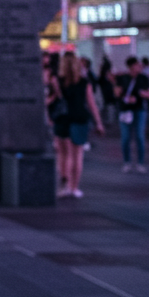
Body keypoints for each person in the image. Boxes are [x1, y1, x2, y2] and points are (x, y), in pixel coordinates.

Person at [53, 53, 104, 198]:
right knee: (77, 155)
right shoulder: (84, 82)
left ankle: (64, 184)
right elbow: (91, 103)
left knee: (63, 154)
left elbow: (54, 99)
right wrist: (98, 123)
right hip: (79, 118)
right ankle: (74, 187)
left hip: (62, 119)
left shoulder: (58, 81)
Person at [113, 57, 149, 172]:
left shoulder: (143, 78)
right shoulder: (122, 78)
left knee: (140, 137)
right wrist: (125, 97)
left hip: (139, 109)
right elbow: (116, 92)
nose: (140, 67)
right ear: (131, 66)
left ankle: (140, 162)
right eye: (137, 65)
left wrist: (142, 94)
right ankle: (127, 161)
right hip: (125, 110)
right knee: (125, 138)